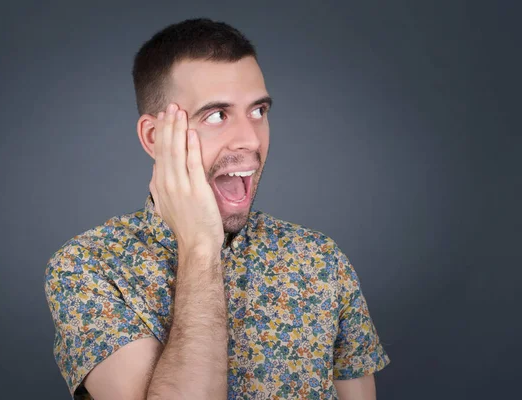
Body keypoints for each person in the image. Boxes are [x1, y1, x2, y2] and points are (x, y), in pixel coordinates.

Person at [44, 18, 390, 400]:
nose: (250, 138)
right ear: (155, 138)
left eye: (258, 111)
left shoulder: (320, 259)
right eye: (216, 115)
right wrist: (200, 247)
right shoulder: (88, 267)